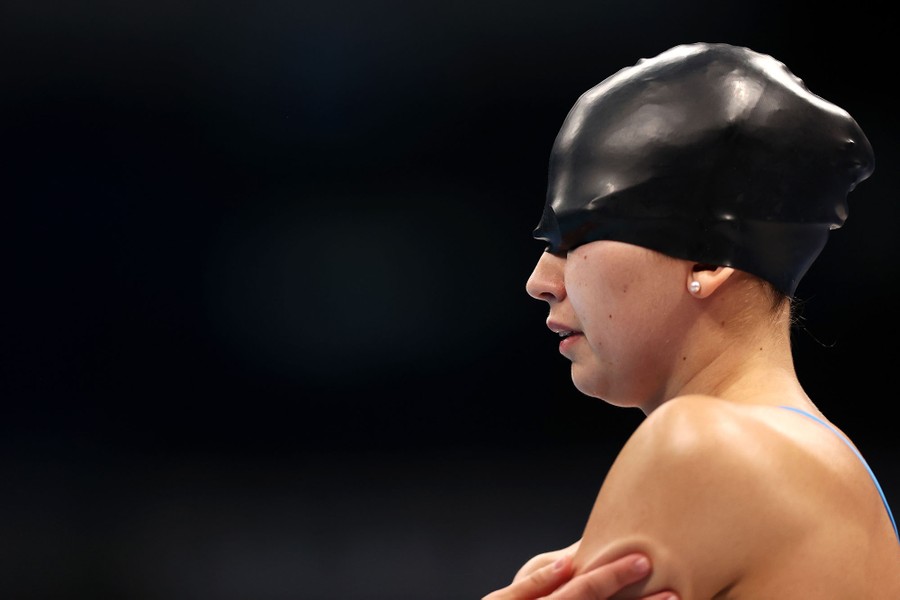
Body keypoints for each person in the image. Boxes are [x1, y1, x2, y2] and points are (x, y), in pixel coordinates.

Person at [483, 42, 900, 600]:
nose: (541, 280)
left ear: (710, 259)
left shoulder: (699, 448)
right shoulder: (836, 468)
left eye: (575, 236)